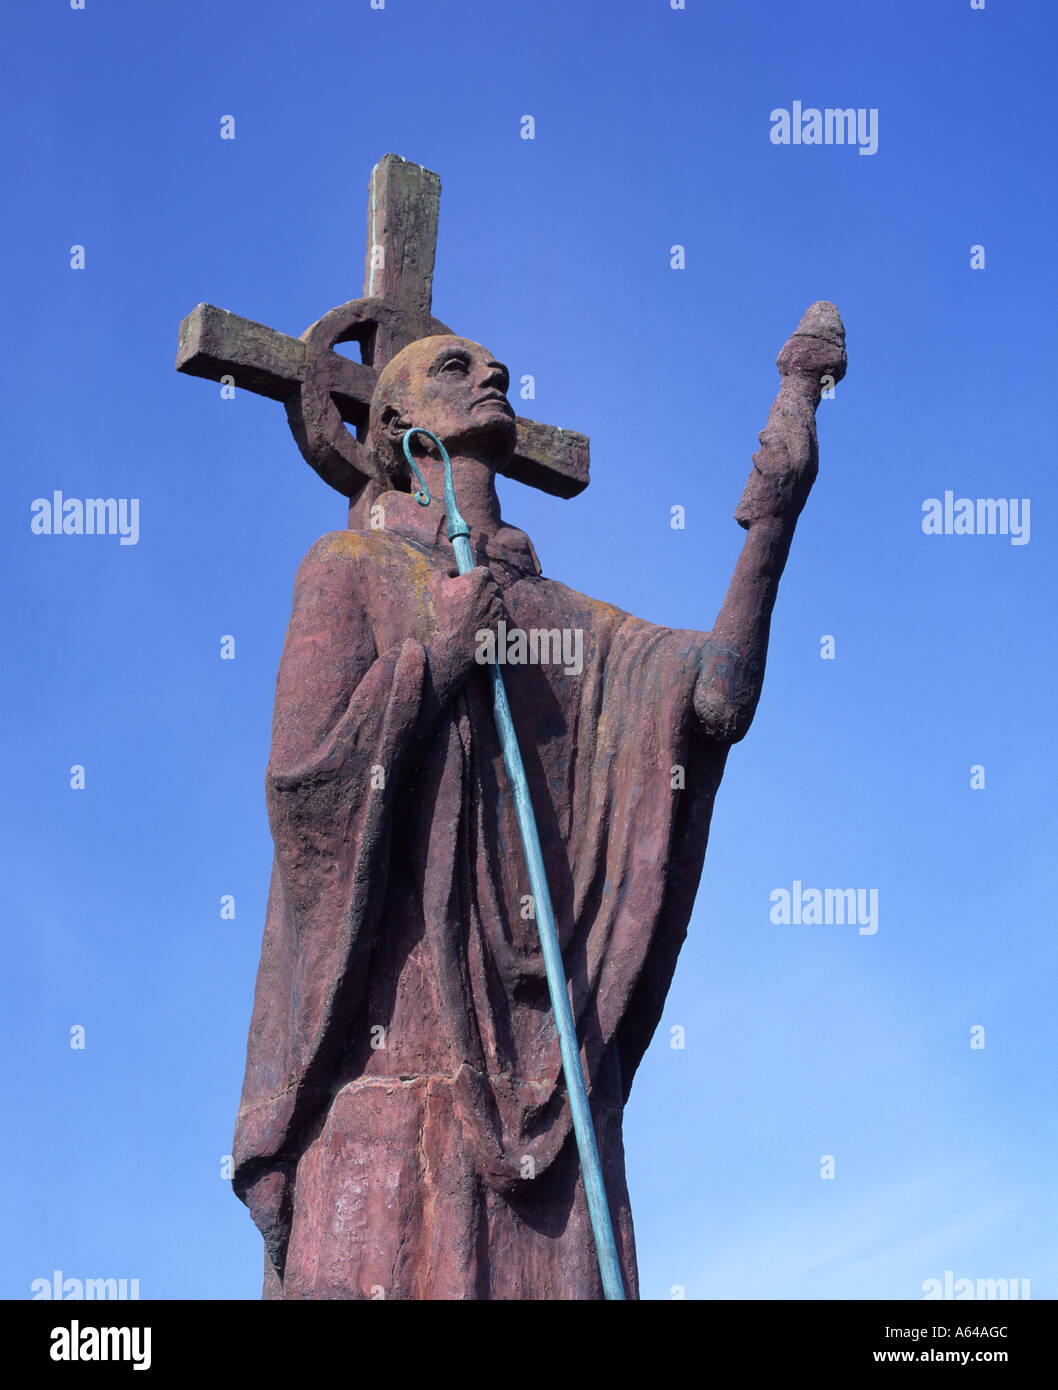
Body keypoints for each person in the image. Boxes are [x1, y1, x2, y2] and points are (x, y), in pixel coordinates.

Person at [232, 306, 846, 1299]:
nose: (491, 371)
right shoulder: (346, 570)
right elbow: (304, 796)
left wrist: (773, 518)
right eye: (454, 366)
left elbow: (713, 696)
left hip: (546, 1087)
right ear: (389, 422)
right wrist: (431, 662)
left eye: (491, 361)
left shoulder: (564, 621)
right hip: (390, 1073)